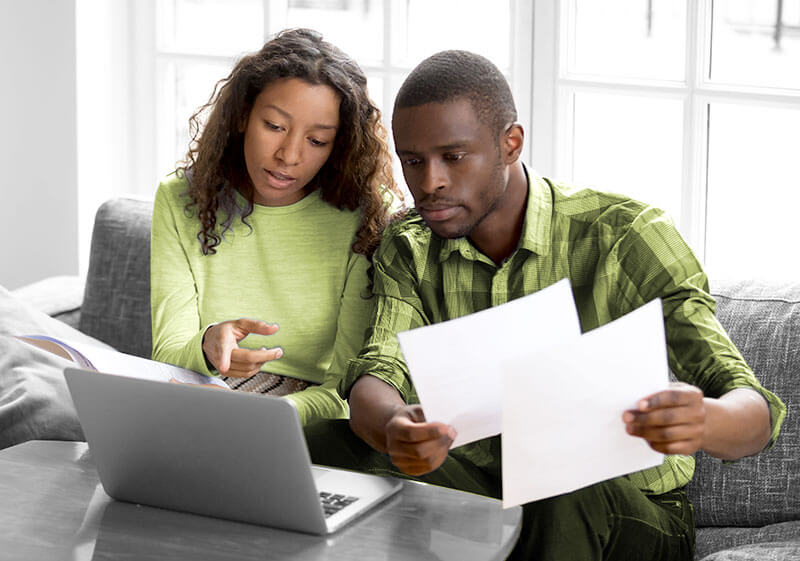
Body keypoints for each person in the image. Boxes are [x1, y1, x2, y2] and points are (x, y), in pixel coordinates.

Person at [304, 50, 786, 560]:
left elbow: (754, 412)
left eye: (454, 156)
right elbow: (379, 371)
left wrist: (705, 420)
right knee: (324, 445)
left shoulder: (625, 236)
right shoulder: (410, 246)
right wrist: (394, 427)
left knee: (559, 479)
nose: (430, 183)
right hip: (486, 492)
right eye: (413, 161)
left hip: (622, 510)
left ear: (510, 144)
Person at [150, 28, 403, 425]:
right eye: (274, 126)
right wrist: (207, 343)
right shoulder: (181, 199)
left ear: (339, 147)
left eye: (317, 141)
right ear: (241, 117)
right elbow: (168, 356)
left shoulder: (365, 214)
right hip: (202, 397)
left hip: (308, 416)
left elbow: (346, 388)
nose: (289, 155)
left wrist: (270, 416)